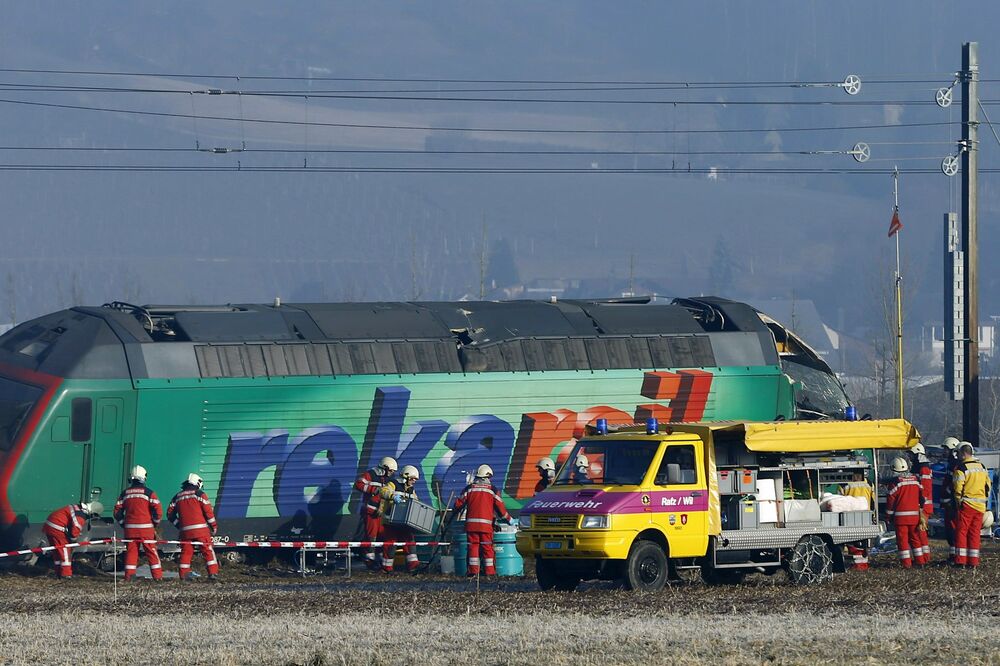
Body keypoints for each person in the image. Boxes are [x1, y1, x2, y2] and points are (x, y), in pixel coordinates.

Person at [453, 464, 514, 577]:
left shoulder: (469, 489)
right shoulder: (492, 490)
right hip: (486, 527)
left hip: (471, 526)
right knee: (487, 549)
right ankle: (489, 573)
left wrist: (454, 512)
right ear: (487, 476)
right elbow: (500, 508)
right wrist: (509, 519)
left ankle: (473, 572)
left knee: (473, 548)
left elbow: (458, 504)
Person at [113, 465, 164, 582]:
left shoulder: (125, 493)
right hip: (146, 530)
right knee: (151, 552)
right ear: (144, 478)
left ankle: (129, 576)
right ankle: (157, 577)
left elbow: (117, 512)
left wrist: (124, 524)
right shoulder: (149, 493)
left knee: (131, 553)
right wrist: (154, 524)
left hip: (130, 530)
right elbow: (158, 511)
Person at [167, 473, 219, 582]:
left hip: (185, 532)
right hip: (201, 530)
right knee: (208, 551)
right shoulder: (200, 494)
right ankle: (213, 573)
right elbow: (208, 512)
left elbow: (170, 514)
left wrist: (179, 525)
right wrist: (213, 526)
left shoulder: (177, 496)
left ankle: (184, 575)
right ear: (198, 483)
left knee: (186, 553)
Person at [353, 457, 397, 570]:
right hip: (371, 511)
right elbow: (358, 484)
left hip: (383, 513)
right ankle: (369, 560)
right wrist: (374, 490)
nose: (392, 473)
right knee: (371, 535)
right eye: (390, 470)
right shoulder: (370, 474)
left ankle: (381, 560)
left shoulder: (389, 480)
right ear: (384, 468)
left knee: (383, 535)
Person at [953, 442, 991, 568]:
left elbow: (958, 487)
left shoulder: (961, 468)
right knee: (975, 533)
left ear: (963, 453)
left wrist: (958, 501)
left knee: (962, 532)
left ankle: (960, 561)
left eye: (958, 453)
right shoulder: (982, 467)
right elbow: (988, 486)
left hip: (967, 504)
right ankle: (973, 562)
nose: (957, 456)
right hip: (980, 505)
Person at [378, 465, 421, 573]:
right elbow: (383, 491)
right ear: (406, 477)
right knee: (390, 544)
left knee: (409, 541)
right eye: (413, 479)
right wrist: (392, 496)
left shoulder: (411, 490)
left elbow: (416, 501)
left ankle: (413, 565)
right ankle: (386, 568)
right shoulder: (393, 484)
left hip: (404, 522)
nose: (414, 481)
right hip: (390, 521)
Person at [43, 501, 103, 578]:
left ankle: (58, 572)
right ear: (92, 512)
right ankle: (66, 574)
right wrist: (74, 541)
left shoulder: (77, 507)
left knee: (57, 551)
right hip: (57, 528)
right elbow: (75, 531)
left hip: (50, 526)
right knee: (65, 551)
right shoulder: (80, 515)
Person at [885, 457, 923, 569]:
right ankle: (920, 561)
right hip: (915, 516)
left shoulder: (896, 483)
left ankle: (906, 563)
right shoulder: (916, 480)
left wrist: (888, 516)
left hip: (901, 518)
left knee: (903, 541)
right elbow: (922, 497)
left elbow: (891, 501)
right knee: (915, 539)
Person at [840, 472, 873, 571]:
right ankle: (862, 564)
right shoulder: (869, 483)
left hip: (850, 517)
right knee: (863, 541)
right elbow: (873, 500)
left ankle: (858, 565)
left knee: (852, 541)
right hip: (866, 516)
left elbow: (839, 500)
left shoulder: (844, 483)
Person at [910, 443, 934, 565]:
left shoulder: (923, 468)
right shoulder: (918, 467)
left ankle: (925, 558)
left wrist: (921, 503)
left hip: (923, 507)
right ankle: (922, 558)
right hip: (920, 505)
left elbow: (926, 488)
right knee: (918, 532)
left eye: (911, 454)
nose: (910, 457)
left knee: (921, 532)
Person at [939, 436, 961, 562]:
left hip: (952, 503)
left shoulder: (955, 465)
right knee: (949, 530)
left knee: (953, 529)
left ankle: (956, 556)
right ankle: (953, 555)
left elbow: (953, 485)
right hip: (949, 502)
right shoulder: (950, 464)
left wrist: (947, 495)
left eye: (946, 449)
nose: (944, 452)